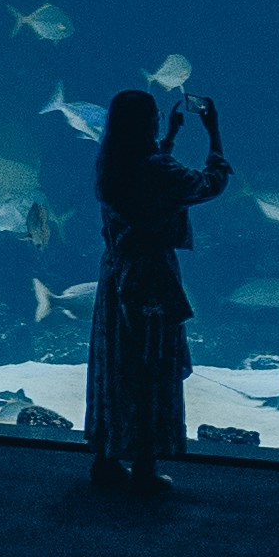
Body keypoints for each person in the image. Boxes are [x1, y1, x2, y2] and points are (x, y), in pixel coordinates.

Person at [85, 85, 237, 489]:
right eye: (153, 116)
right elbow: (208, 184)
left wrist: (169, 137)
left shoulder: (111, 162)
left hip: (116, 274)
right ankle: (145, 467)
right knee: (150, 366)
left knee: (117, 363)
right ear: (147, 122)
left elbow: (151, 176)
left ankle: (106, 456)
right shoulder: (155, 169)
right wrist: (214, 133)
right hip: (151, 278)